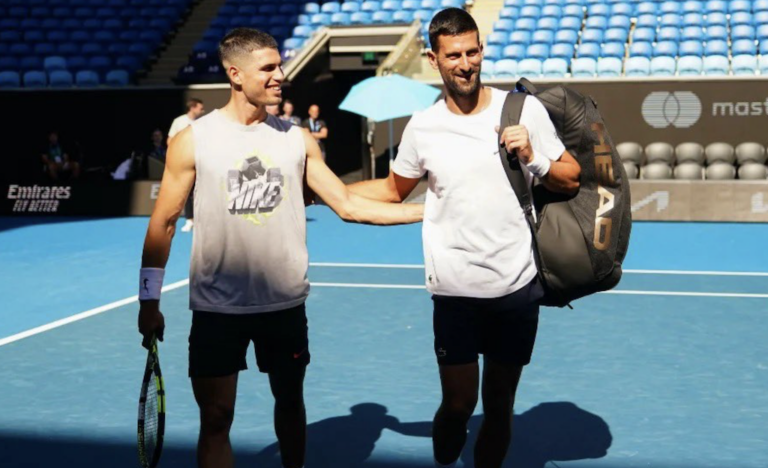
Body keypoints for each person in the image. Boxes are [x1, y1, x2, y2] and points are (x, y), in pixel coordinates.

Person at [137, 28, 423, 468]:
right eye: (267, 68)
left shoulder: (297, 140)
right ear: (235, 74)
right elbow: (164, 223)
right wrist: (148, 299)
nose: (280, 76)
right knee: (215, 419)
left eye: (279, 66)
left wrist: (434, 211)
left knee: (290, 407)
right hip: (217, 308)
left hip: (283, 306)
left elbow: (347, 205)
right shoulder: (194, 140)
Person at [349, 9, 581, 468]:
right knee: (457, 405)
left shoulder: (522, 110)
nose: (465, 63)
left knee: (498, 406)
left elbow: (571, 179)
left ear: (481, 52)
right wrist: (323, 192)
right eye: (453, 55)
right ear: (434, 59)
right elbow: (393, 191)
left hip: (516, 287)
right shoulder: (423, 126)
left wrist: (533, 157)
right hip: (454, 291)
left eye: (472, 52)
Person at [169, 98, 205, 232]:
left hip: (200, 162)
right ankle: (190, 220)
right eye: (200, 108)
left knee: (201, 192)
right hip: (184, 163)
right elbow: (170, 140)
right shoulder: (179, 121)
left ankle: (202, 220)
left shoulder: (202, 123)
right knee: (187, 192)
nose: (202, 111)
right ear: (193, 108)